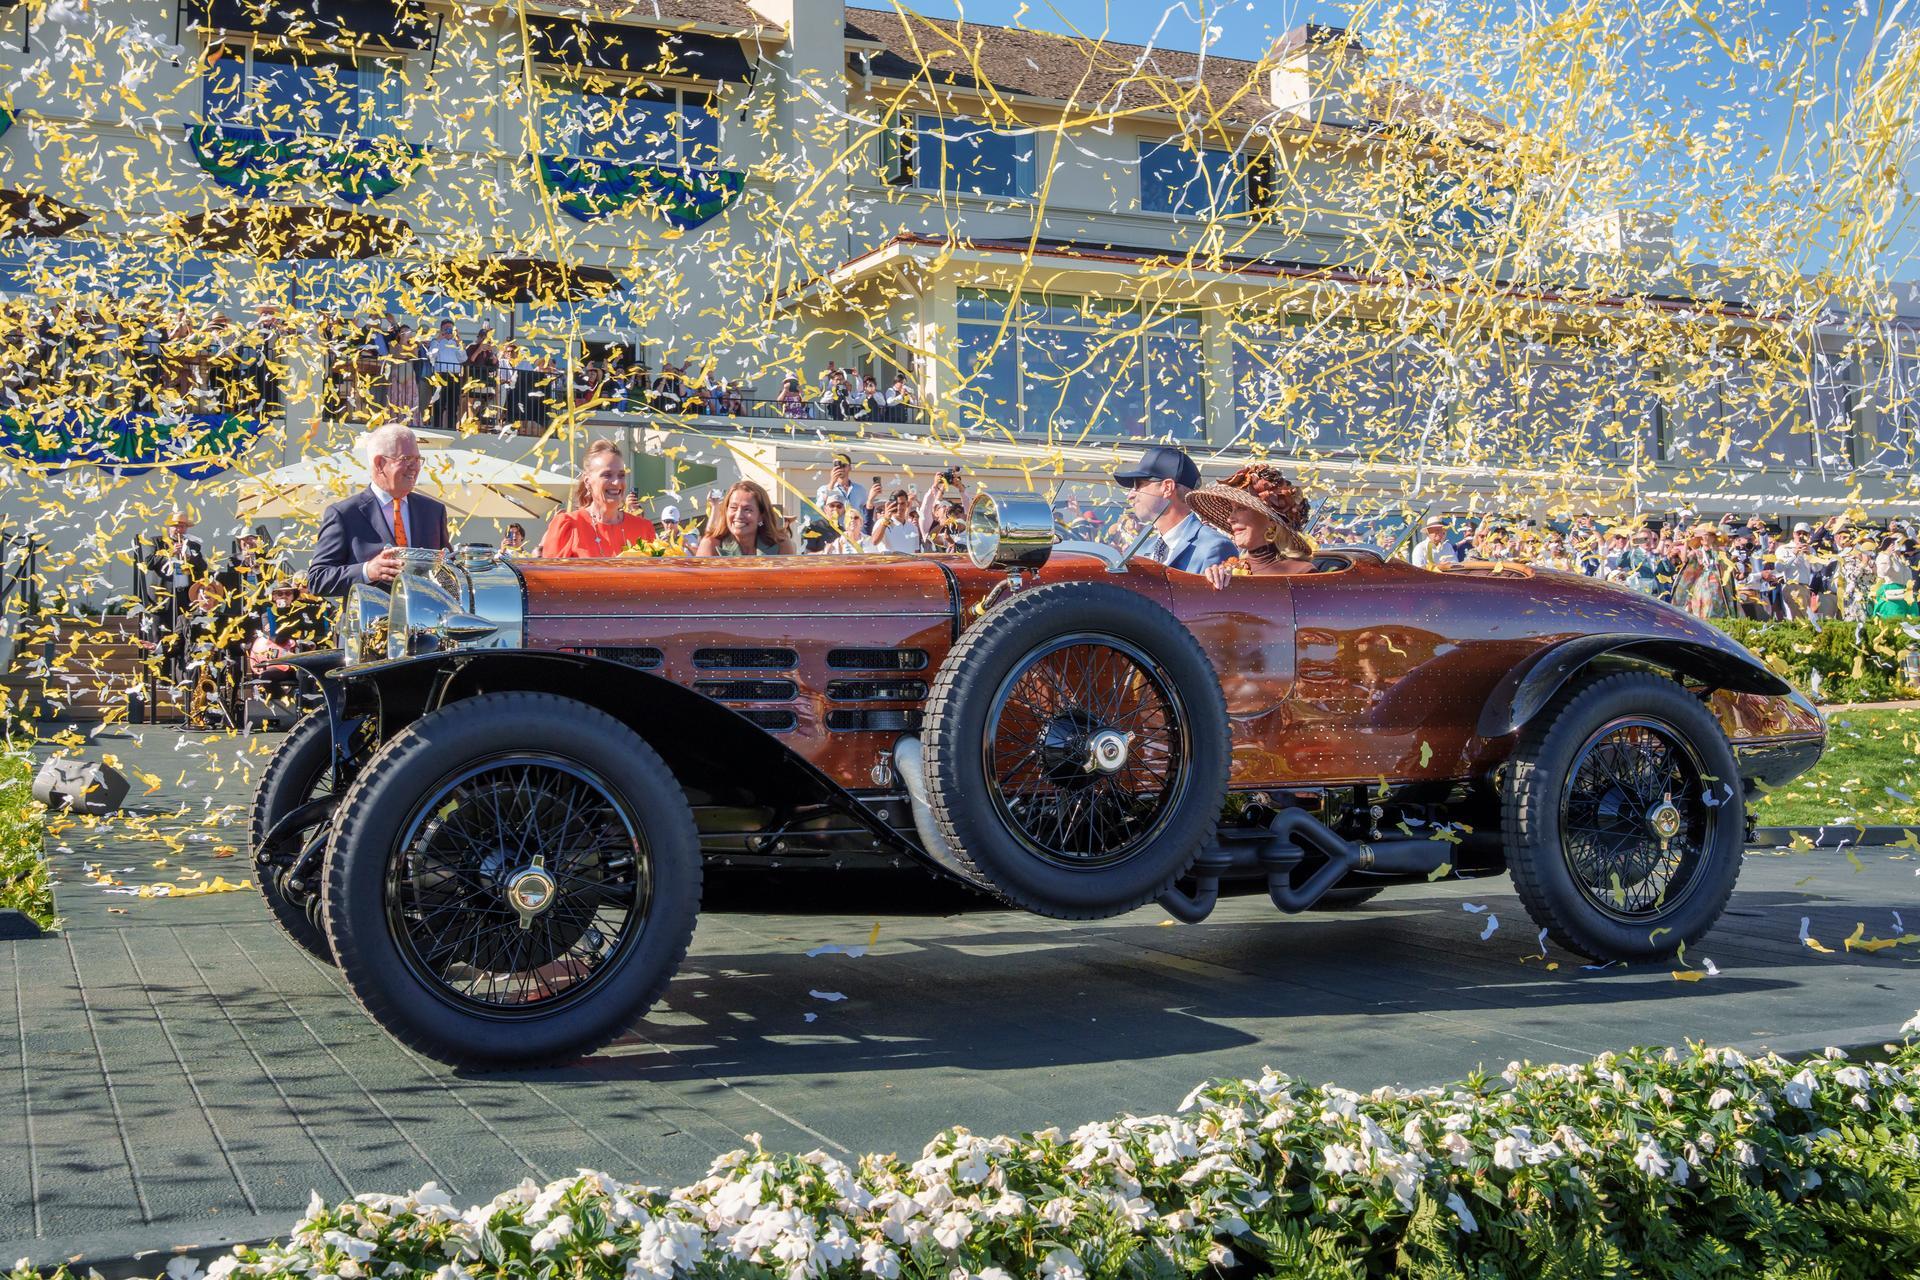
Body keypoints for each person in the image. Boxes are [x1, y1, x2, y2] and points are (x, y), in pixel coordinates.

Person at [307, 423, 449, 596]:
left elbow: (447, 571)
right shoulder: (345, 514)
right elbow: (317, 579)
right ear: (380, 463)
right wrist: (367, 571)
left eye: (417, 459)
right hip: (372, 612)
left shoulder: (433, 511)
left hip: (424, 612)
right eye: (406, 459)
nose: (415, 467)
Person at [1185, 464, 1316, 589]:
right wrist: (1213, 584)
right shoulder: (1228, 571)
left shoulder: (1302, 574)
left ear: (1271, 519)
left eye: (1241, 508)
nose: (1230, 519)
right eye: (1232, 509)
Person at [1111, 444, 1236, 576]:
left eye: (1138, 484)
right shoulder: (1140, 550)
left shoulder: (1213, 547)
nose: (1130, 495)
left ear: (1167, 488)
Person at [539, 438, 657, 557]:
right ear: (587, 481)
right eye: (607, 475)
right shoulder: (569, 525)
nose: (616, 482)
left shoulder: (643, 528)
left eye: (621, 475)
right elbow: (550, 568)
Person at [696, 480, 795, 556]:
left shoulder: (781, 545)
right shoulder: (711, 544)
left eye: (747, 510)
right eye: (733, 508)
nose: (738, 515)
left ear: (761, 516)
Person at [1774, 522, 1817, 620]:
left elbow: (1817, 568)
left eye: (1804, 533)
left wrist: (1810, 556)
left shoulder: (1811, 549)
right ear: (1794, 534)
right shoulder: (1784, 548)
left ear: (1808, 536)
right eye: (1799, 533)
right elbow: (1779, 567)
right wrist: (1794, 554)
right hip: (1792, 586)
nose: (1801, 536)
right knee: (1800, 619)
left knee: (1804, 618)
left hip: (1806, 587)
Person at [866, 488, 924, 553]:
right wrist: (886, 520)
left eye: (902, 503)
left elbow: (916, 552)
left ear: (907, 504)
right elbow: (874, 541)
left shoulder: (913, 528)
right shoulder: (881, 522)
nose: (899, 507)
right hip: (889, 559)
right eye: (896, 504)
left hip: (908, 559)